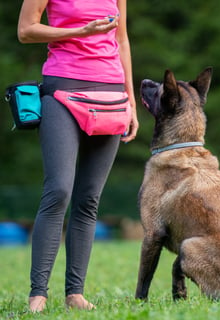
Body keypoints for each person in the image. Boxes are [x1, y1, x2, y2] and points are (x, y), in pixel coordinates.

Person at [17, 0, 138, 312]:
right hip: (62, 90)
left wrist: (131, 101)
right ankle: (38, 294)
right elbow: (26, 31)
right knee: (58, 190)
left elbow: (121, 39)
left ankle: (75, 293)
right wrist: (79, 31)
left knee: (88, 199)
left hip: (111, 94)